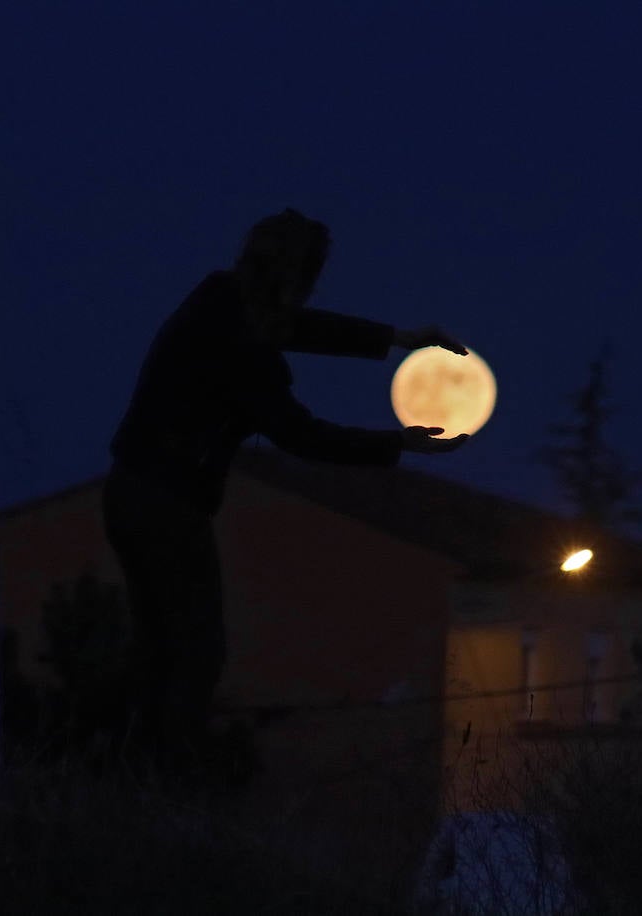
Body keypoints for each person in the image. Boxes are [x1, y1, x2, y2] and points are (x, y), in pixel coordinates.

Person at [102, 208, 470, 790]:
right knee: (196, 652)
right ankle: (162, 787)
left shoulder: (218, 299)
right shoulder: (243, 348)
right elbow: (299, 433)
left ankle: (131, 781)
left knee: (161, 650)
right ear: (296, 277)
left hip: (129, 492)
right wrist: (397, 445)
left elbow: (295, 327)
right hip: (168, 506)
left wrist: (396, 339)